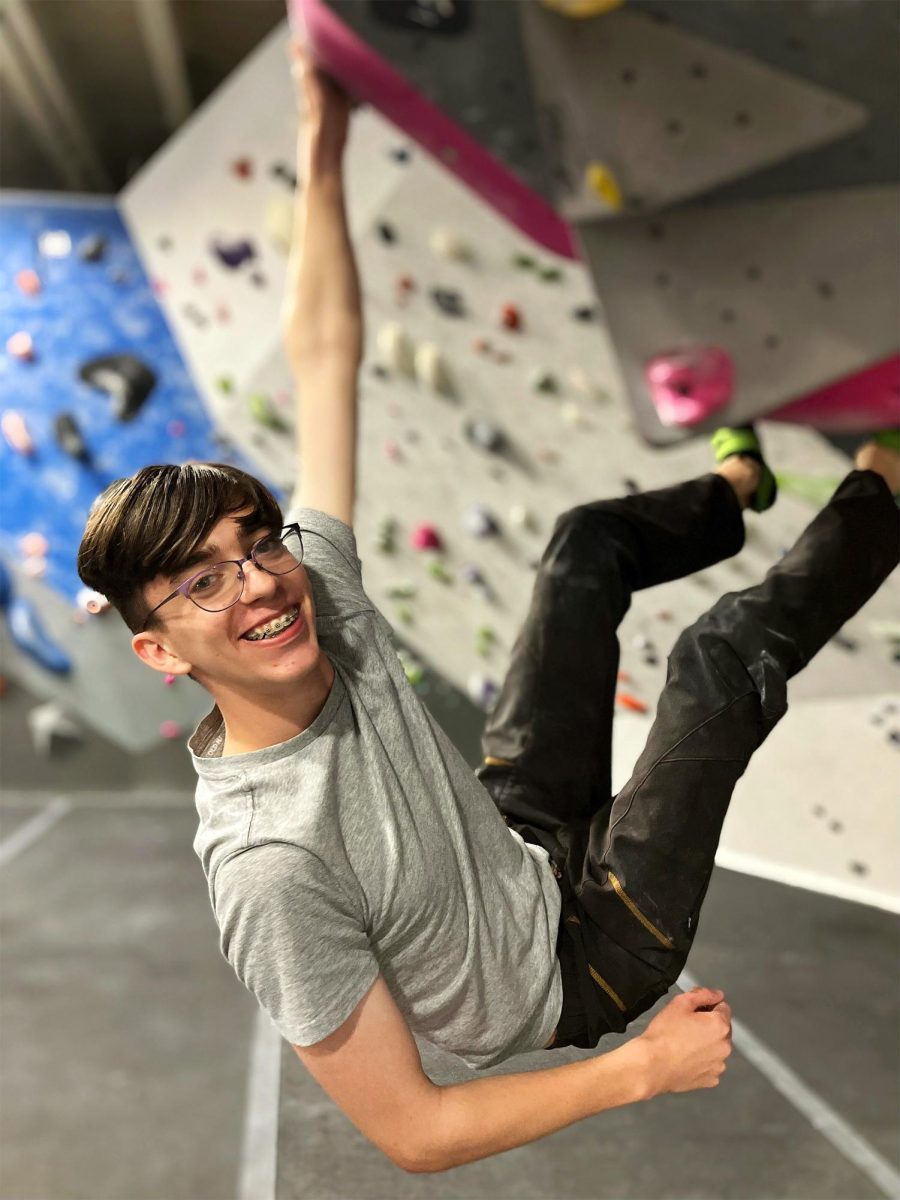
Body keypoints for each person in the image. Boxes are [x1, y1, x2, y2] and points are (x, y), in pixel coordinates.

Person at [76, 42, 900, 1174]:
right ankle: (886, 484)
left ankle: (738, 490)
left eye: (254, 545)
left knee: (580, 549)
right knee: (718, 658)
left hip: (514, 839)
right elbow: (414, 1130)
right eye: (204, 581)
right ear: (158, 649)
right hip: (583, 961)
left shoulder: (319, 599)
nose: (260, 580)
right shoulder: (272, 867)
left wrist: (322, 138)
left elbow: (324, 359)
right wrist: (636, 1069)